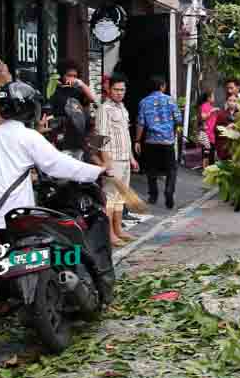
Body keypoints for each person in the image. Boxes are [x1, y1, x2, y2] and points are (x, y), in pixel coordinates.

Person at [0, 81, 108, 339]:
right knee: (14, 256)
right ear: (28, 108)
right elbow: (57, 165)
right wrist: (96, 171)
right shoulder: (29, 137)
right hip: (13, 211)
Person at [95, 75, 137, 247]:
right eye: (116, 89)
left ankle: (118, 229)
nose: (120, 93)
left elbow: (126, 135)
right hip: (113, 160)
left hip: (125, 158)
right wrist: (107, 164)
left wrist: (132, 158)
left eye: (122, 90)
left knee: (120, 197)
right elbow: (100, 138)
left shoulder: (122, 108)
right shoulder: (104, 109)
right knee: (110, 198)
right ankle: (109, 234)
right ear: (109, 89)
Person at [136, 75, 182, 209]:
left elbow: (140, 123)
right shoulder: (170, 100)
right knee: (171, 169)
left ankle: (153, 195)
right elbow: (178, 120)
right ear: (162, 86)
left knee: (151, 169)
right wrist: (174, 132)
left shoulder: (144, 102)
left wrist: (137, 140)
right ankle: (169, 191)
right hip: (167, 142)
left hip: (151, 142)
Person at [48, 59, 98, 160]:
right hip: (61, 135)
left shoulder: (77, 91)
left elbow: (92, 99)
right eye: (69, 75)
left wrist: (81, 84)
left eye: (75, 76)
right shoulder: (56, 90)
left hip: (77, 137)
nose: (72, 78)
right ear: (62, 75)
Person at [198, 90, 217, 168]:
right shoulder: (205, 105)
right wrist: (211, 111)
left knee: (210, 152)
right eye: (213, 96)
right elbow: (203, 117)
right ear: (209, 98)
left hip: (212, 133)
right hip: (207, 133)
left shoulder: (211, 106)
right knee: (207, 152)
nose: (214, 98)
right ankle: (205, 170)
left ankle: (209, 169)